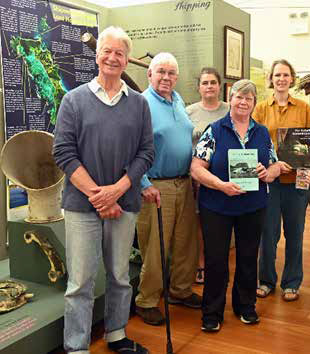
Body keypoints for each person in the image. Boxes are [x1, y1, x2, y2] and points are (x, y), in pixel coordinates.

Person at [53, 26, 153, 354]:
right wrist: (100, 195)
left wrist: (119, 189)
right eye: (106, 51)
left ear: (126, 61)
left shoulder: (139, 104)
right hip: (82, 205)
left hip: (124, 203)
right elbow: (63, 152)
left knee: (120, 275)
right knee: (80, 282)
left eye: (119, 53)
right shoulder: (73, 100)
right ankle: (76, 347)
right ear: (97, 56)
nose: (112, 57)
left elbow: (146, 152)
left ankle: (116, 334)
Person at [191, 79, 288, 332]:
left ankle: (245, 306)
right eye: (239, 97)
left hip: (252, 207)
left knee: (247, 257)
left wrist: (268, 172)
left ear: (254, 103)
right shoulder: (214, 130)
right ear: (230, 99)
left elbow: (275, 165)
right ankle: (212, 312)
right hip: (217, 205)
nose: (243, 102)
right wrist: (220, 185)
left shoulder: (262, 132)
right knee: (216, 260)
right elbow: (196, 168)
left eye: (249, 98)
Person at [135, 52, 201, 326]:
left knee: (186, 241)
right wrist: (143, 184)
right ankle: (147, 300)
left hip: (184, 182)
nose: (166, 77)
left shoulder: (177, 100)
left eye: (171, 72)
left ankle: (180, 290)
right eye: (160, 71)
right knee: (155, 246)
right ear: (149, 75)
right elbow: (130, 148)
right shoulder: (141, 104)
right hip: (156, 186)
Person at [254, 59, 310, 301]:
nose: (281, 79)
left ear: (292, 78)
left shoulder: (304, 108)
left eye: (285, 75)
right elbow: (253, 142)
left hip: (298, 181)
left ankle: (292, 282)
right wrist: (271, 165)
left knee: (295, 234)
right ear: (271, 79)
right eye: (277, 75)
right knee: (268, 234)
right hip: (269, 182)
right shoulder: (261, 109)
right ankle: (266, 280)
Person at [186, 67, 229, 284]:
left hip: (225, 177)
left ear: (219, 86)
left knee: (222, 221)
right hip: (198, 178)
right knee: (200, 222)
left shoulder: (230, 110)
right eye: (205, 83)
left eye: (213, 82)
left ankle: (219, 263)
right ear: (198, 87)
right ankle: (200, 262)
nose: (209, 86)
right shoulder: (189, 112)